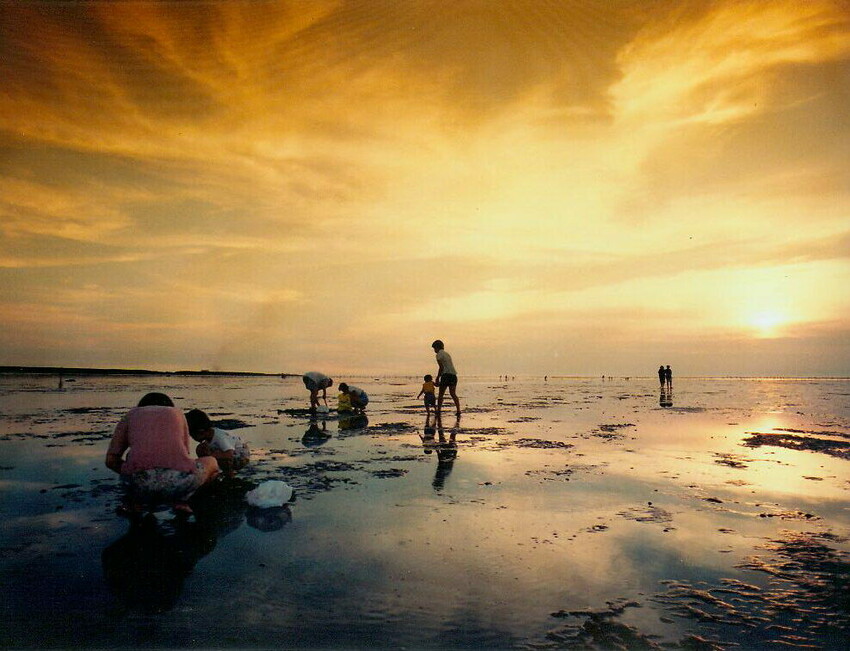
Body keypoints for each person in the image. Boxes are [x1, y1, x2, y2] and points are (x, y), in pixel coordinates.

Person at [105, 393, 219, 515]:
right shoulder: (178, 414)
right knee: (211, 462)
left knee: (131, 460)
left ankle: (136, 504)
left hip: (139, 484)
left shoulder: (131, 415)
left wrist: (131, 470)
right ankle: (182, 501)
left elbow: (111, 460)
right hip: (176, 483)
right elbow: (184, 455)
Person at [185, 409, 250, 477]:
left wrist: (211, 456)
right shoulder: (209, 437)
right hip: (228, 452)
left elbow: (229, 454)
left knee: (219, 456)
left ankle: (229, 474)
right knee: (201, 449)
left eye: (192, 435)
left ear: (201, 432)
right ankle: (212, 470)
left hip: (240, 456)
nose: (192, 437)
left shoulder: (220, 437)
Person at [432, 340, 461, 417]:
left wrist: (438, 377)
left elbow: (441, 367)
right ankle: (458, 410)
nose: (434, 350)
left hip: (446, 375)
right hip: (453, 375)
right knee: (453, 393)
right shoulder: (447, 354)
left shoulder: (438, 355)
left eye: (434, 348)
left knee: (441, 394)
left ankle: (438, 410)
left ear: (437, 347)